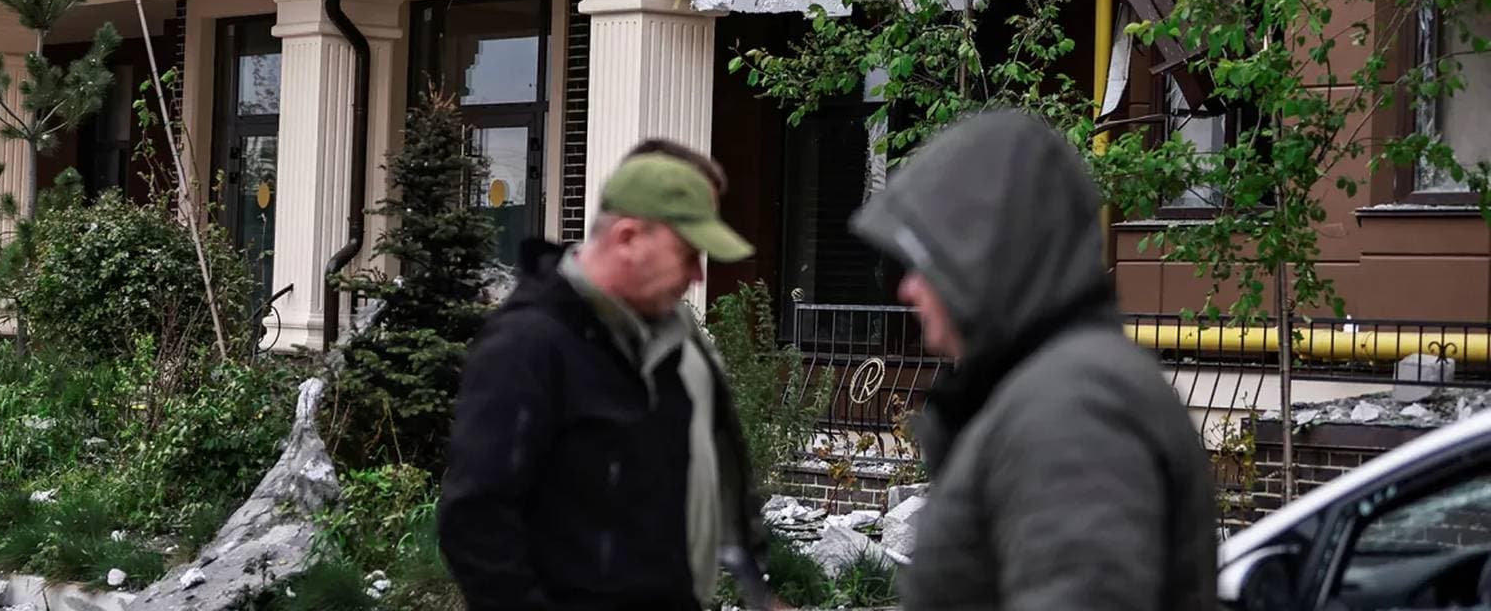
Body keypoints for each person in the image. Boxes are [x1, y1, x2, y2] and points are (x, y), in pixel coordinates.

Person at [848, 109, 1217, 611]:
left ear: (990, 258)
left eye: (927, 260)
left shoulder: (1075, 409)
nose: (907, 288)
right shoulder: (1055, 390)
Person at [440, 146, 777, 611]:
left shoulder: (668, 343)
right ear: (627, 238)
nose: (697, 275)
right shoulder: (528, 346)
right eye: (687, 253)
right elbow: (475, 523)